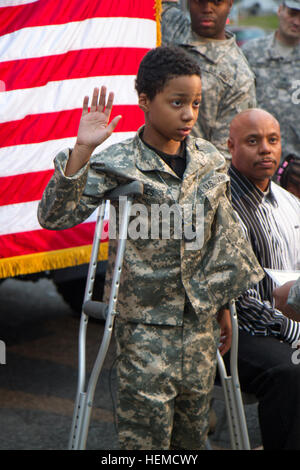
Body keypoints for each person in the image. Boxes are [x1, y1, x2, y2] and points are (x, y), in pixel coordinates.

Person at [38, 46, 263, 450]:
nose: (189, 115)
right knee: (145, 443)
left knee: (193, 437)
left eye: (195, 103)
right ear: (144, 100)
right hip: (143, 330)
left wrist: (226, 306)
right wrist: (83, 150)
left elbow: (223, 237)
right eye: (176, 103)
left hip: (199, 327)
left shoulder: (209, 160)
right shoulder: (121, 161)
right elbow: (55, 216)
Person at [226, 107, 300, 450]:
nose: (266, 149)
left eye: (273, 140)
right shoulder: (220, 205)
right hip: (237, 329)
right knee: (290, 372)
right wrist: (294, 331)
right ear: (231, 147)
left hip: (289, 323)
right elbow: (237, 299)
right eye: (253, 141)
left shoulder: (290, 203)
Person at [161, 0, 256, 163]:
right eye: (199, 2)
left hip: (188, 174)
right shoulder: (172, 26)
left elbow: (225, 156)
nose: (207, 9)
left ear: (229, 4)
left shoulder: (238, 75)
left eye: (217, 2)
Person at [242, 1, 300, 163]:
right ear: (280, 10)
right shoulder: (251, 53)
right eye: (292, 13)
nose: (297, 22)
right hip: (256, 160)